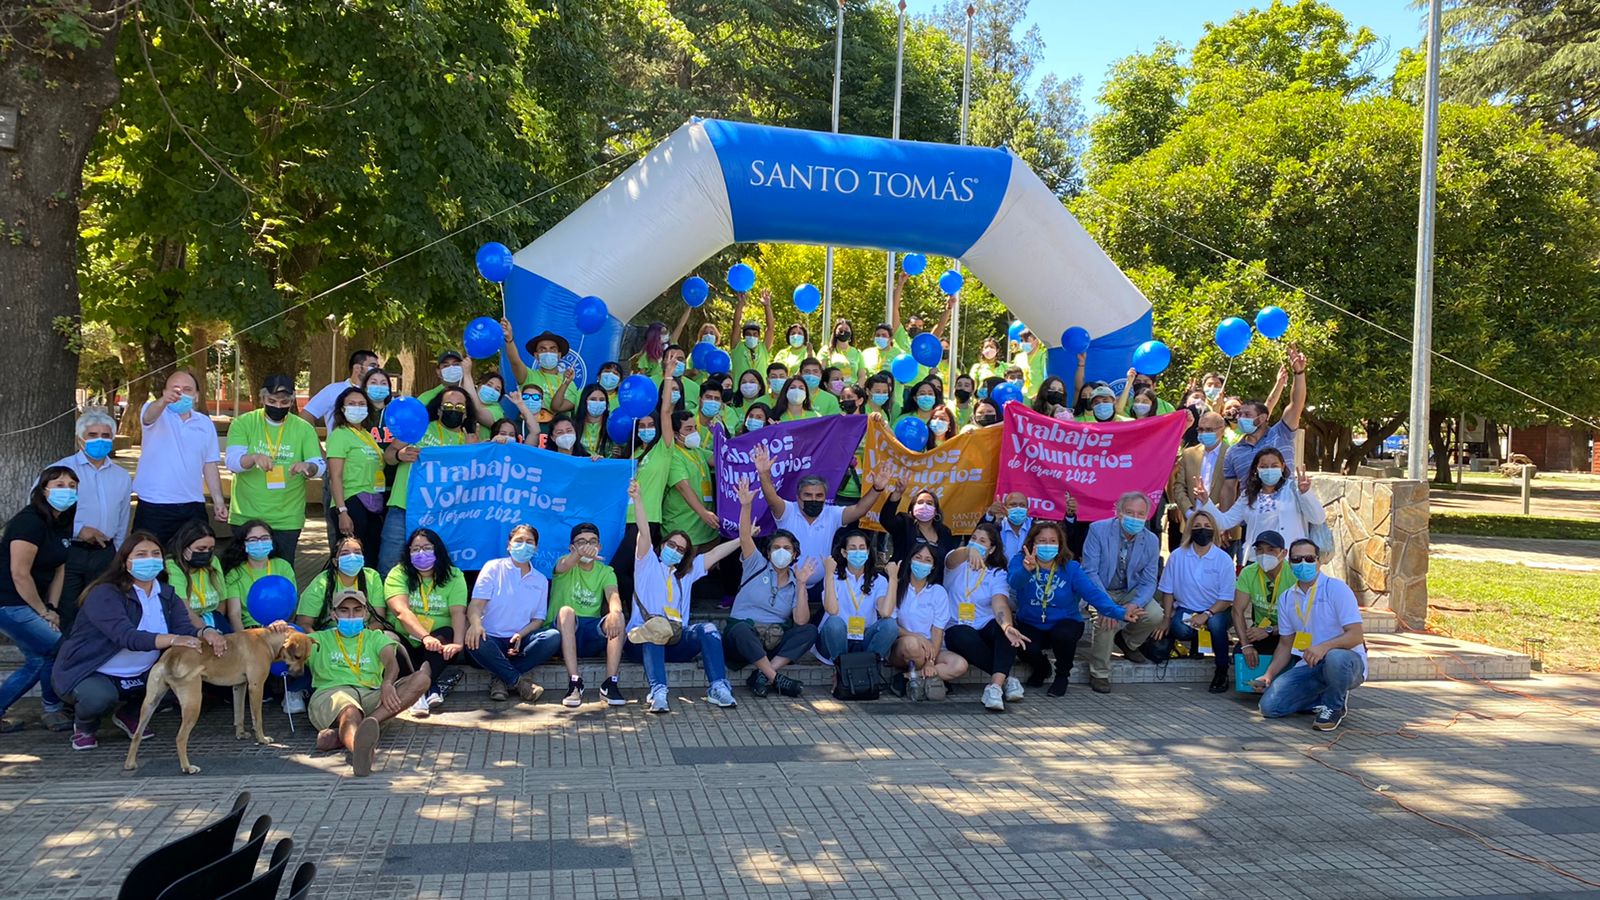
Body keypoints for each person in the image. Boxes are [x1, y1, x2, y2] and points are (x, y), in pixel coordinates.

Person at [51, 531, 223, 751]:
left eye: (155, 554)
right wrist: (174, 639)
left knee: (179, 679)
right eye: (141, 554)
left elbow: (185, 629)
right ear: (125, 561)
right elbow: (125, 636)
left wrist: (206, 632)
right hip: (91, 670)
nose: (149, 559)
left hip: (142, 672)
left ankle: (130, 714)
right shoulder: (105, 593)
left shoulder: (167, 594)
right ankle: (85, 726)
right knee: (99, 698)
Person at [622, 481, 741, 713]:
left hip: (675, 640)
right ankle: (658, 692)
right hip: (640, 641)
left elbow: (716, 553)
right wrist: (638, 499)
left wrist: (744, 537)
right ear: (663, 544)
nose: (675, 550)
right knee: (655, 629)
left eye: (680, 549)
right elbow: (644, 532)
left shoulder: (685, 574)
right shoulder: (647, 564)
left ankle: (718, 687)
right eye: (672, 545)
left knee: (707, 629)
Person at [1010, 521, 1145, 696]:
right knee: (1022, 644)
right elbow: (1013, 582)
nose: (1047, 545)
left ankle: (1062, 676)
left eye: (1052, 541)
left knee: (1064, 635)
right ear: (1032, 543)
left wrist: (1119, 612)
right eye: (1042, 540)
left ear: (1060, 545)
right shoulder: (1020, 561)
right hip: (1031, 622)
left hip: (1064, 622)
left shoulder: (1071, 568)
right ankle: (1042, 668)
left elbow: (1092, 594)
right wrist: (1026, 570)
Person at [307, 589, 430, 776]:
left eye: (357, 610)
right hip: (332, 693)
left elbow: (391, 663)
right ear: (333, 614)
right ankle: (360, 752)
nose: (351, 615)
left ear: (365, 613)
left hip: (372, 693)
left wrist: (387, 684)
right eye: (344, 610)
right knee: (349, 711)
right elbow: (288, 645)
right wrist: (279, 629)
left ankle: (367, 724)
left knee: (421, 678)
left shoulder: (375, 637)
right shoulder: (319, 639)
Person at [1253, 539, 1367, 731]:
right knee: (1269, 707)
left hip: (1346, 663)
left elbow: (1356, 635)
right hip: (1310, 665)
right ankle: (1324, 696)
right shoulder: (1287, 598)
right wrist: (1268, 675)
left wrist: (1324, 647)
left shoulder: (1336, 589)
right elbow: (1285, 644)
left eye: (1308, 558)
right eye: (1297, 560)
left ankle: (1334, 706)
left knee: (1335, 657)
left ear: (1319, 561)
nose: (1303, 563)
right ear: (1289, 564)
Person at [752, 444, 887, 603]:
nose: (813, 499)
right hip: (786, 584)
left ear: (825, 497)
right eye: (808, 495)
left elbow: (859, 509)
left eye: (819, 495)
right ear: (798, 496)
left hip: (821, 586)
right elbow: (771, 497)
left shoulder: (832, 514)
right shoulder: (787, 510)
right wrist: (763, 474)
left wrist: (877, 489)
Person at [0, 467, 78, 732]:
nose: (65, 490)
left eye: (71, 485)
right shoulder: (29, 521)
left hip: (35, 603)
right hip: (10, 601)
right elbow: (19, 574)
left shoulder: (64, 520)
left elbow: (60, 568)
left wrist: (52, 607)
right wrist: (42, 612)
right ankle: (53, 710)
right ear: (43, 489)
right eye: (58, 484)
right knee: (57, 648)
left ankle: (52, 711)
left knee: (39, 658)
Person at [721, 479, 816, 698]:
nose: (780, 552)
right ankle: (775, 678)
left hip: (773, 640)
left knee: (809, 631)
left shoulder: (795, 579)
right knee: (741, 630)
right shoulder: (756, 565)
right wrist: (746, 506)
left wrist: (801, 585)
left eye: (786, 548)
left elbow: (801, 621)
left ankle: (763, 674)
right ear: (768, 552)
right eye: (776, 548)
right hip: (743, 639)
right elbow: (745, 536)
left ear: (794, 554)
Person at [225, 374, 324, 563]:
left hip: (287, 518)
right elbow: (232, 462)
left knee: (283, 570)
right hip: (246, 515)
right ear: (262, 399)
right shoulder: (243, 423)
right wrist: (253, 458)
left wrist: (308, 467)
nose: (278, 406)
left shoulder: (303, 428)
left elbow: (319, 466)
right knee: (242, 570)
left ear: (291, 401)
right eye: (272, 401)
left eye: (284, 402)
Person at [380, 384, 477, 573]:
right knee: (389, 565)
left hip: (441, 515)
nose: (453, 410)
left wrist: (471, 451)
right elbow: (388, 457)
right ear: (439, 410)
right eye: (448, 405)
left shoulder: (469, 440)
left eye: (459, 407)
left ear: (466, 414)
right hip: (403, 508)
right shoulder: (419, 428)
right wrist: (400, 454)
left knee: (434, 569)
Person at [54, 408, 131, 635]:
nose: (100, 440)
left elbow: (123, 517)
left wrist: (117, 552)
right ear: (80, 440)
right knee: (67, 612)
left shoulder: (121, 476)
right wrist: (78, 530)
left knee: (101, 610)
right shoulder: (61, 471)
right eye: (93, 435)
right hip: (70, 552)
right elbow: (43, 511)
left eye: (105, 436)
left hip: (105, 554)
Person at [1080, 492, 1164, 693]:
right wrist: (1107, 607)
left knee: (1155, 614)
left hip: (1129, 591)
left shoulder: (1151, 540)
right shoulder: (1097, 530)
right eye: (1129, 512)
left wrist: (1135, 604)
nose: (1135, 518)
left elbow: (1149, 579)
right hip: (1100, 591)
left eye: (1140, 514)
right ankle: (1099, 673)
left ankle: (1127, 642)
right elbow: (1089, 571)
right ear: (1118, 512)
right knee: (1107, 620)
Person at [131, 370, 227, 544]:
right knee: (150, 560)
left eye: (187, 389)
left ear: (197, 396)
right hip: (154, 505)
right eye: (175, 389)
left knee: (194, 560)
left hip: (193, 505)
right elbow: (148, 416)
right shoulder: (156, 412)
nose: (180, 394)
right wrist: (163, 401)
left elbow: (210, 465)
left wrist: (218, 501)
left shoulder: (204, 423)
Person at [466, 526, 559, 702]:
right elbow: (475, 605)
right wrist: (476, 624)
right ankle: (518, 682)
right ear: (509, 545)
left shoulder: (540, 580)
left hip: (518, 642)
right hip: (489, 639)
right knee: (476, 639)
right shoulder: (493, 568)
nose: (524, 545)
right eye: (519, 540)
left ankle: (500, 677)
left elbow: (538, 619)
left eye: (529, 542)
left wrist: (520, 635)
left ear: (536, 548)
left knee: (552, 636)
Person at [942, 523, 1028, 711]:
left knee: (1006, 631)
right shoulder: (956, 563)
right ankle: (1007, 679)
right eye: (973, 539)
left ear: (992, 549)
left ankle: (995, 687)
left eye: (982, 541)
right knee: (962, 635)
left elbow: (1000, 603)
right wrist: (967, 551)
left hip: (984, 625)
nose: (976, 544)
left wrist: (1006, 626)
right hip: (957, 626)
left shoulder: (996, 573)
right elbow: (951, 560)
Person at [383, 528, 468, 717]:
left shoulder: (454, 575)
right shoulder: (398, 574)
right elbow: (401, 611)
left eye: (427, 548)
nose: (421, 553)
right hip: (406, 636)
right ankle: (427, 690)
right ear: (408, 552)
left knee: (448, 633)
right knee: (387, 639)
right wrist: (425, 636)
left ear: (437, 550)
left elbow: (458, 612)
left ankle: (417, 692)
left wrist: (458, 643)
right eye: (415, 549)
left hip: (438, 641)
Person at [608, 379, 675, 607]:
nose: (647, 430)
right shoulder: (632, 451)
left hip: (647, 520)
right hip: (621, 520)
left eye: (651, 425)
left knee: (616, 570)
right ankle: (642, 609)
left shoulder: (663, 449)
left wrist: (667, 377)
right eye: (642, 426)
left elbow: (666, 411)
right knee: (629, 569)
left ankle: (649, 604)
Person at [1155, 511, 1238, 692]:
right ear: (1190, 529)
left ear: (1214, 530)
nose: (1203, 530)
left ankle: (1222, 670)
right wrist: (1166, 619)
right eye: (1198, 526)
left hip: (1217, 610)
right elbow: (1167, 591)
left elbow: (1226, 598)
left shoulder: (1223, 559)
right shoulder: (1177, 556)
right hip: (1187, 609)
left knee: (1215, 624)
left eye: (1208, 526)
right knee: (1179, 628)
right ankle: (1197, 642)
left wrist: (1206, 614)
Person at [1196, 449, 1327, 564]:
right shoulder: (1248, 495)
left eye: (1274, 466)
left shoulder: (1294, 489)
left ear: (1282, 467)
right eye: (1264, 466)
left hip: (1289, 560)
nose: (1269, 470)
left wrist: (1305, 493)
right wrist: (1206, 501)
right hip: (1257, 560)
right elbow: (1225, 522)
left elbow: (1318, 518)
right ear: (1256, 470)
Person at [551, 523, 627, 707]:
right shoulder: (564, 563)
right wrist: (579, 554)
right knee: (566, 611)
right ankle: (575, 682)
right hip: (563, 631)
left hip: (591, 631)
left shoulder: (606, 571)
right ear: (572, 547)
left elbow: (613, 595)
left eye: (592, 542)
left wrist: (616, 611)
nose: (587, 546)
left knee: (618, 616)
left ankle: (610, 683)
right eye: (581, 542)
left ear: (599, 547)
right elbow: (565, 564)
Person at [1222, 347, 1308, 497]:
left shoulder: (1281, 433)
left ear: (1262, 418)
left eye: (1247, 414)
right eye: (1240, 414)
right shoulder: (1233, 452)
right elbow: (1229, 489)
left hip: (1286, 515)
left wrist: (1299, 373)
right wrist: (1225, 520)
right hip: (1251, 518)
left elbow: (1296, 404)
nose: (1241, 417)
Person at [888, 542, 966, 700]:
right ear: (910, 560)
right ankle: (932, 678)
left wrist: (931, 661)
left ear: (933, 566)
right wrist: (918, 637)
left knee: (960, 665)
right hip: (903, 645)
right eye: (918, 558)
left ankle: (909, 677)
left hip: (932, 649)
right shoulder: (897, 588)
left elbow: (938, 630)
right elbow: (891, 625)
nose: (922, 563)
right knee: (913, 645)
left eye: (927, 560)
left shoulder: (938, 592)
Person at [325, 387, 387, 571]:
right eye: (351, 404)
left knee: (370, 557)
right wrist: (342, 511)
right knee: (350, 557)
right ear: (342, 409)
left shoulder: (367, 435)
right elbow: (334, 476)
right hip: (351, 501)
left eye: (361, 404)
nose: (357, 408)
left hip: (372, 501)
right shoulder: (339, 435)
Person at [816, 530, 899, 664]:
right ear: (844, 553)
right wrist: (829, 574)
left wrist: (893, 578)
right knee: (834, 623)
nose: (858, 552)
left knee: (890, 625)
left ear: (867, 552)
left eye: (862, 548)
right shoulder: (834, 576)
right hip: (835, 640)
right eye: (852, 548)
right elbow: (832, 610)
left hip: (863, 638)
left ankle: (868, 667)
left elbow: (885, 612)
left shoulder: (878, 580)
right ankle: (841, 670)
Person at [219, 520, 296, 633]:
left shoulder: (283, 566)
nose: (259, 543)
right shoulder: (235, 573)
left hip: (280, 628)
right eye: (253, 540)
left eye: (264, 538)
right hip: (252, 632)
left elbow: (291, 604)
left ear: (271, 541)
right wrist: (245, 641)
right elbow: (234, 615)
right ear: (243, 544)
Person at [1232, 530, 1291, 675]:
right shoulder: (1248, 573)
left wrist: (1269, 630)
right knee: (1239, 652)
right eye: (1260, 550)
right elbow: (1237, 611)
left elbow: (1302, 619)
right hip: (1260, 630)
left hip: (1289, 632)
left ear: (1283, 553)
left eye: (1271, 550)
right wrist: (1246, 645)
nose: (1264, 555)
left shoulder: (1293, 574)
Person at [296, 536, 384, 631]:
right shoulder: (321, 582)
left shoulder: (372, 577)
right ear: (335, 562)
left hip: (365, 633)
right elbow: (304, 623)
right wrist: (320, 641)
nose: (352, 557)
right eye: (345, 554)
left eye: (357, 552)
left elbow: (379, 620)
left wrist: (359, 635)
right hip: (329, 634)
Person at [879, 481, 958, 582]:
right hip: (900, 582)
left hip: (932, 586)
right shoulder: (904, 524)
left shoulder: (945, 532)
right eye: (920, 502)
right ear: (912, 509)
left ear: (936, 511)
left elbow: (948, 561)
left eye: (929, 503)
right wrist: (897, 493)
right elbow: (886, 519)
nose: (924, 506)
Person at [164, 519, 227, 632]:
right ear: (184, 548)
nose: (207, 553)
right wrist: (206, 631)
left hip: (213, 617)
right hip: (186, 621)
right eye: (201, 549)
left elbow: (222, 601)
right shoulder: (173, 565)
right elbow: (183, 608)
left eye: (211, 549)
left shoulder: (213, 561)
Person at [506, 327, 579, 422]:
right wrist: (509, 339)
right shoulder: (528, 375)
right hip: (531, 429)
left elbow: (558, 408)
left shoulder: (570, 383)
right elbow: (515, 362)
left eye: (552, 349)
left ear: (559, 355)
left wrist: (565, 383)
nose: (548, 352)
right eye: (543, 349)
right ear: (536, 355)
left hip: (559, 433)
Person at [303, 349, 380, 430]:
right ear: (357, 368)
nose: (377, 370)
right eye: (373, 366)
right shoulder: (333, 390)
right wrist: (314, 441)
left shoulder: (377, 393)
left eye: (378, 367)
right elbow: (306, 415)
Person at [730, 288, 776, 381]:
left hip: (760, 393)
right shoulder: (737, 347)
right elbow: (736, 325)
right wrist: (741, 304)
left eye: (755, 334)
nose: (752, 336)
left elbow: (770, 328)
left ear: (759, 337)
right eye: (748, 334)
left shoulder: (764, 348)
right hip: (739, 393)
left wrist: (767, 306)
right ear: (743, 336)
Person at [572, 383, 613, 456]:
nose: (597, 402)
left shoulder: (612, 425)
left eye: (602, 400)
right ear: (585, 401)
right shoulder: (573, 426)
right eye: (593, 399)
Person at [823, 319, 864, 383]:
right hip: (833, 389)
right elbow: (821, 372)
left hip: (851, 390)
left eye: (846, 329)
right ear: (835, 332)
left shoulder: (857, 353)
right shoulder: (826, 350)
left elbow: (862, 376)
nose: (843, 331)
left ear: (851, 333)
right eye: (840, 329)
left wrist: (855, 389)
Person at [1010, 328, 1046, 395]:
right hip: (1021, 396)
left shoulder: (1043, 356)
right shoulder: (1018, 357)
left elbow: (1046, 378)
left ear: (1036, 340)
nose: (1023, 343)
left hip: (1038, 398)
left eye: (1026, 340)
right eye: (1021, 340)